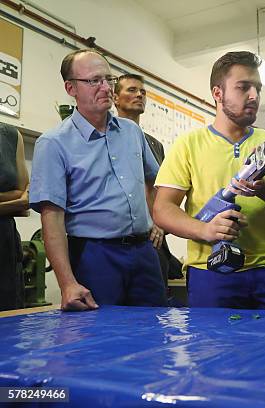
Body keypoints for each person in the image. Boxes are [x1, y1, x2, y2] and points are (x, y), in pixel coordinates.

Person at [153, 51, 265, 310]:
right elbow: (162, 209)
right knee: (213, 350)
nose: (254, 96)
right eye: (243, 87)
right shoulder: (189, 144)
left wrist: (262, 186)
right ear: (218, 93)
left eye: (257, 88)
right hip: (211, 271)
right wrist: (206, 230)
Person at [29, 49, 166, 311]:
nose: (105, 87)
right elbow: (52, 217)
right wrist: (67, 283)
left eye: (108, 79)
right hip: (95, 256)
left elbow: (154, 180)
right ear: (71, 88)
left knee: (153, 335)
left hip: (144, 253)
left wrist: (157, 220)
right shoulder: (54, 143)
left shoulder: (131, 131)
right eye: (94, 81)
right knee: (101, 339)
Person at [113, 73, 183, 287]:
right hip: (115, 240)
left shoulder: (154, 144)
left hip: (152, 239)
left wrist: (160, 224)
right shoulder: (105, 137)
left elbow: (160, 189)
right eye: (131, 90)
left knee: (153, 310)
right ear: (115, 98)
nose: (139, 95)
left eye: (142, 91)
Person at [0, 123, 29, 311]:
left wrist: (19, 201)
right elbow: (19, 198)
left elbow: (26, 199)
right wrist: (14, 200)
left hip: (5, 247)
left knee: (9, 323)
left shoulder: (11, 135)